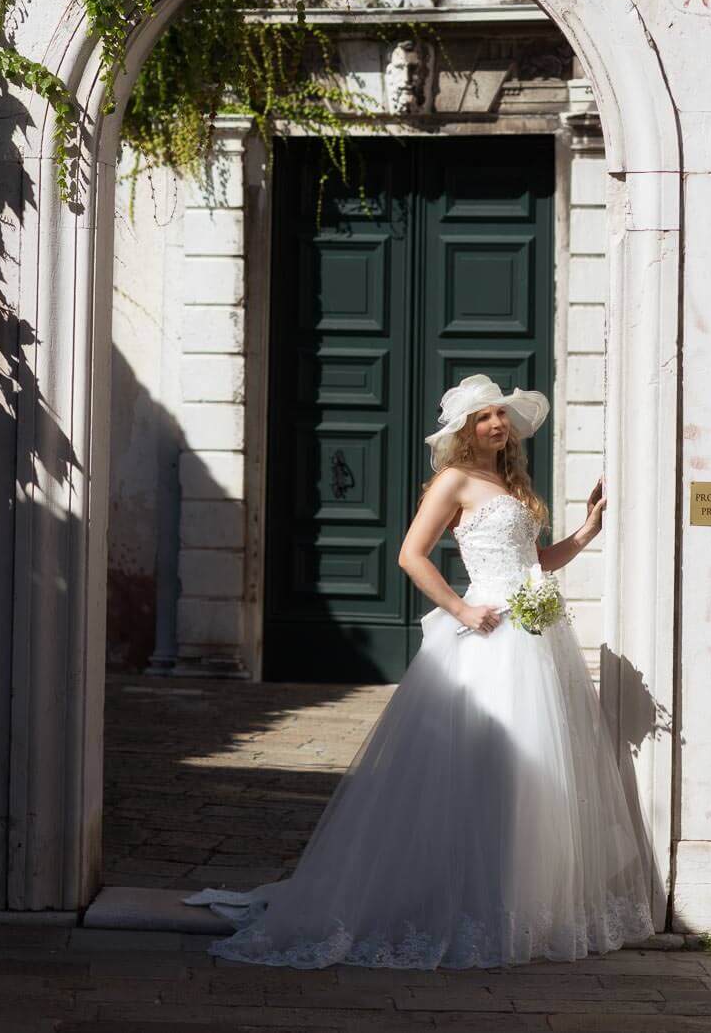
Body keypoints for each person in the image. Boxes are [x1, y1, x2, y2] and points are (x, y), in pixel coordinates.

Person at [183, 371, 654, 968]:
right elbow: (410, 554)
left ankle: (514, 901)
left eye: (502, 416)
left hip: (534, 639)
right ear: (464, 428)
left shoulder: (510, 481)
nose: (497, 424)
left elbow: (536, 560)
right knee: (482, 769)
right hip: (488, 636)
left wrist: (588, 529)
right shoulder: (453, 480)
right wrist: (461, 609)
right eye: (485, 417)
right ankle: (457, 899)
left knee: (533, 775)